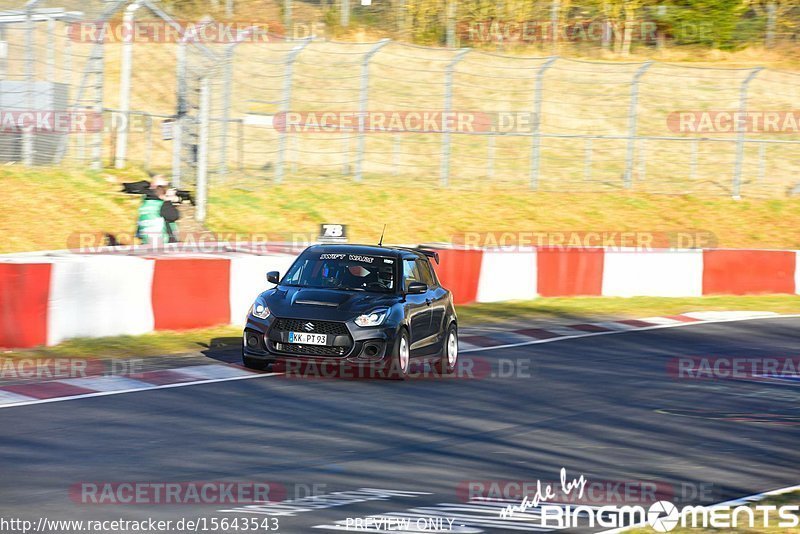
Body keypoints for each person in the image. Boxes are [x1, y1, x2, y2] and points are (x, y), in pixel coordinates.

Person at [136, 176, 180, 245]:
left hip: (146, 243)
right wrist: (168, 200)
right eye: (165, 188)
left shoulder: (144, 204)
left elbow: (139, 230)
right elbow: (174, 216)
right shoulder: (161, 205)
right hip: (164, 245)